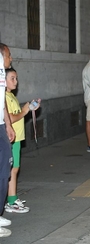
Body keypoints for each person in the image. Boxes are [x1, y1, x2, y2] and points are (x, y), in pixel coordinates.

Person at [5, 67, 41, 213]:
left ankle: (12, 199)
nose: (16, 81)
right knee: (10, 170)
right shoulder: (4, 97)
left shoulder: (11, 95)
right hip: (10, 138)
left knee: (15, 169)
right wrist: (24, 111)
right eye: (12, 78)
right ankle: (10, 200)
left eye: (16, 78)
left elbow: (16, 114)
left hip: (17, 138)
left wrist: (28, 108)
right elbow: (11, 117)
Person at [0, 43, 16, 237]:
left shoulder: (2, 74)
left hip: (0, 126)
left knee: (5, 170)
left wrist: (8, 125)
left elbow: (1, 100)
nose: (11, 59)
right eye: (9, 56)